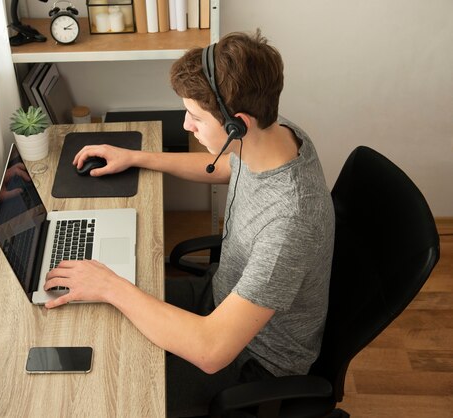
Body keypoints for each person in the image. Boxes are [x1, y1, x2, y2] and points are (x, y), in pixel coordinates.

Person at [44, 30, 335, 417]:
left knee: (113, 390)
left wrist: (109, 285)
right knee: (98, 317)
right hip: (221, 296)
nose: (186, 125)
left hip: (251, 359)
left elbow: (212, 351)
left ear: (238, 125)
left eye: (195, 116)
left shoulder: (289, 224)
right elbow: (228, 165)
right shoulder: (276, 134)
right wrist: (137, 156)